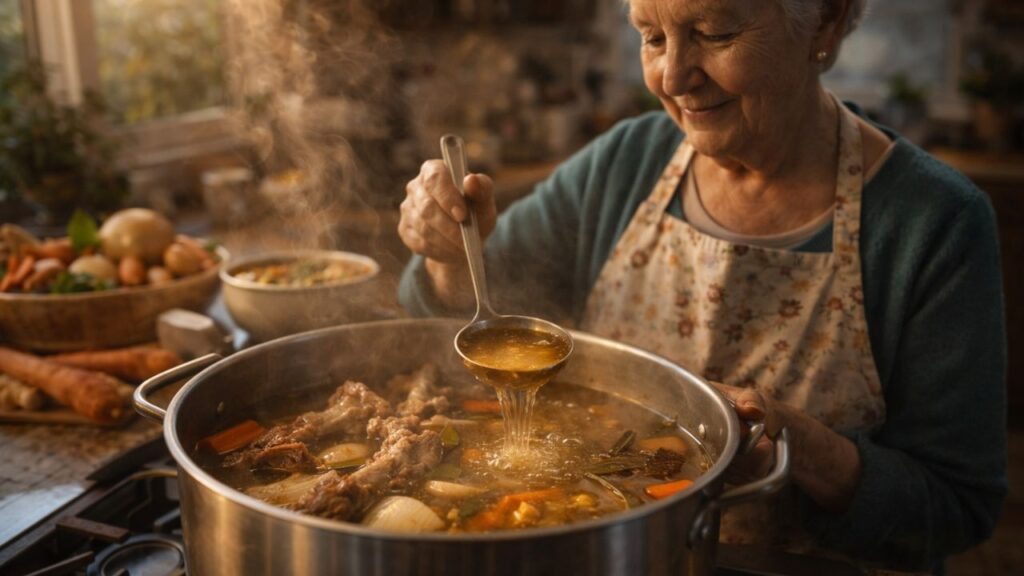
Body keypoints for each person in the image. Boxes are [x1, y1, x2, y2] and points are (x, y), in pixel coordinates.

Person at [396, 0, 1008, 572]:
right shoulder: (624, 163)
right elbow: (465, 319)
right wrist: (449, 255)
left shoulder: (935, 223)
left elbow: (957, 508)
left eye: (715, 34)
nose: (673, 76)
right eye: (652, 37)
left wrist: (800, 448)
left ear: (825, 21)